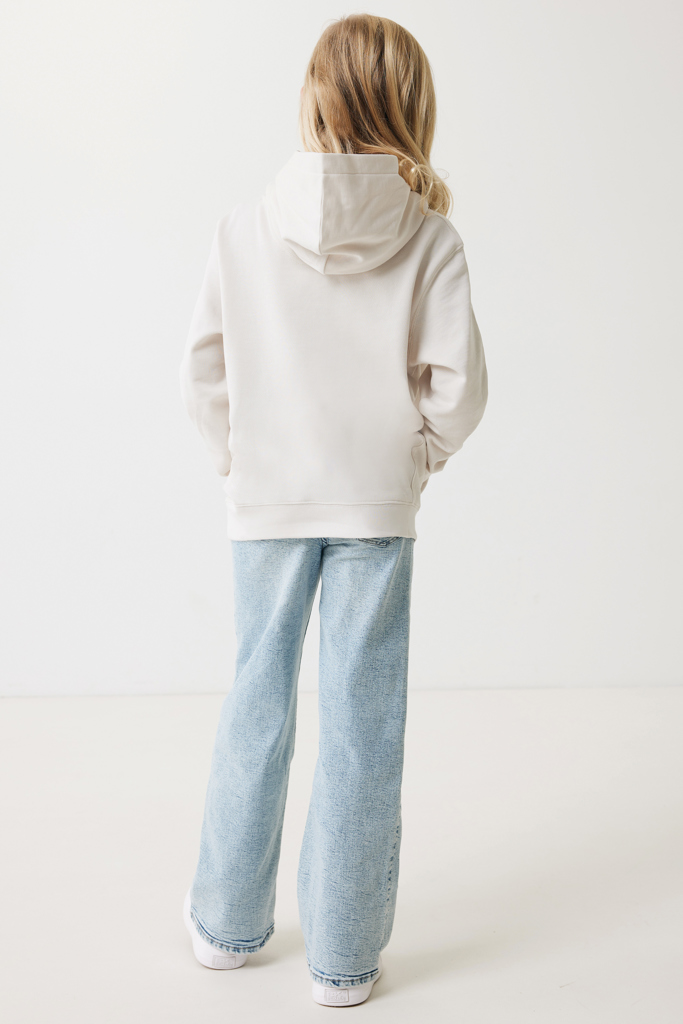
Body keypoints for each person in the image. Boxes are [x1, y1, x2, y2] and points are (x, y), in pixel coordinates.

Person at [178, 12, 488, 1007]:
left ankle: (225, 926)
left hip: (266, 500)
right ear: (411, 108)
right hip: (374, 509)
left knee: (255, 701)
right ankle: (343, 960)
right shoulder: (430, 237)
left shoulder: (242, 228)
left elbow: (202, 371)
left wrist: (239, 464)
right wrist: (411, 462)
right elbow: (458, 389)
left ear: (315, 101)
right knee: (362, 723)